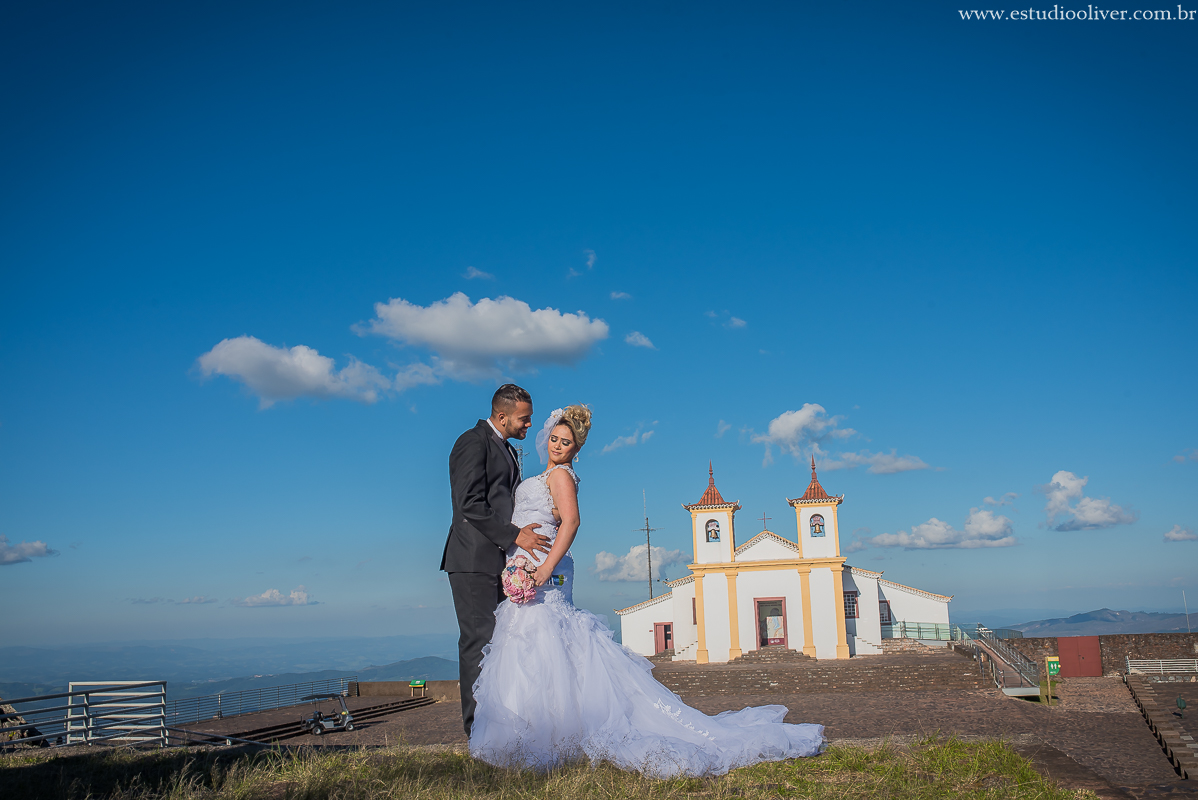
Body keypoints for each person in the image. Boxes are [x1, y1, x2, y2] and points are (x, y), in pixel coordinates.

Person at [469, 405, 825, 778]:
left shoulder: (560, 475)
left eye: (567, 442)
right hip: (527, 564)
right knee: (537, 644)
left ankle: (546, 736)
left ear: (577, 448)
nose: (558, 446)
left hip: (543, 569)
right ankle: (541, 732)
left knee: (543, 641)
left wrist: (542, 569)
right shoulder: (549, 474)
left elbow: (571, 521)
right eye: (555, 439)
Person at [442, 384, 551, 736]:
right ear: (501, 416)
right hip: (472, 560)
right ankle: (477, 732)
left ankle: (499, 727)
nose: (529, 425)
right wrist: (515, 536)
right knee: (478, 643)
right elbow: (469, 503)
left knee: (498, 644)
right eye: (524, 418)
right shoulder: (472, 442)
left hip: (496, 559)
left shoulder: (505, 448)